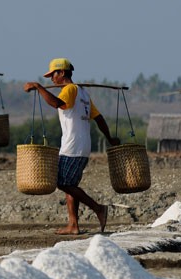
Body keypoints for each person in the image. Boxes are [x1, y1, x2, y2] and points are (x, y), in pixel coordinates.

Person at [24, 58, 120, 235]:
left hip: (73, 146)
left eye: (53, 75)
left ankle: (98, 209)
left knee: (62, 182)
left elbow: (56, 104)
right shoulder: (82, 93)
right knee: (71, 185)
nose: (51, 79)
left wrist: (38, 87)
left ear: (61, 73)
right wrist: (110, 138)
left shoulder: (69, 90)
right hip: (81, 145)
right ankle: (73, 225)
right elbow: (98, 118)